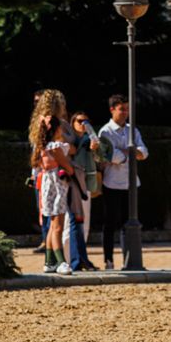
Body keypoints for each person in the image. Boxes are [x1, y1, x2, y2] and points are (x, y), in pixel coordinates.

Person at [97, 94, 148, 269]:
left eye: (127, 109)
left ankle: (129, 259)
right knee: (110, 223)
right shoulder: (105, 131)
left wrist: (127, 152)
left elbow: (144, 152)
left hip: (132, 183)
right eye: (122, 109)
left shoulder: (132, 130)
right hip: (112, 183)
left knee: (130, 223)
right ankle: (108, 259)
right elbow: (112, 156)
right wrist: (131, 153)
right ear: (112, 109)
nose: (125, 113)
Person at [32, 117, 78, 274]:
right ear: (57, 130)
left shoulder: (41, 147)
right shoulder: (56, 146)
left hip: (46, 185)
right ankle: (61, 262)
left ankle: (49, 261)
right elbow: (69, 163)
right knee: (58, 226)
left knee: (52, 225)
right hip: (58, 186)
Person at [68, 110, 101, 271]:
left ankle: (81, 258)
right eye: (80, 121)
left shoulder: (91, 139)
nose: (83, 124)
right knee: (72, 223)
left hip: (86, 183)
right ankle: (69, 259)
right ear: (72, 123)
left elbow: (100, 159)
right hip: (73, 183)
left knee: (85, 224)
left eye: (86, 121)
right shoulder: (71, 139)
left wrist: (95, 149)